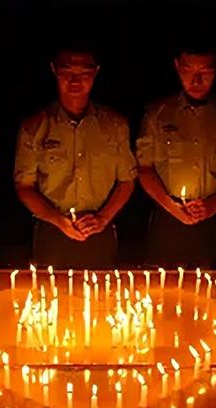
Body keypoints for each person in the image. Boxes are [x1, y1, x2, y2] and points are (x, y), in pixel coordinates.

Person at [14, 47, 136, 268]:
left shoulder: (115, 125)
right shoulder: (34, 127)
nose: (75, 80)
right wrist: (58, 221)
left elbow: (126, 181)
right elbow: (24, 187)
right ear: (54, 70)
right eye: (67, 71)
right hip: (52, 232)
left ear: (96, 72)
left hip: (100, 231)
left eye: (84, 73)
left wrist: (102, 219)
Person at [137, 45, 216, 268]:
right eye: (188, 70)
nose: (196, 80)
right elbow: (144, 169)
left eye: (205, 72)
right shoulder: (157, 114)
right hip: (167, 220)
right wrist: (172, 207)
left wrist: (214, 204)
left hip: (215, 224)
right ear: (177, 67)